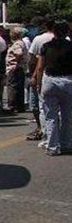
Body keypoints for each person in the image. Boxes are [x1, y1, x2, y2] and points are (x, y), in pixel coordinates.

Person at [34, 20, 72, 156]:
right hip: (68, 81)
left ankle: (52, 146)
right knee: (67, 116)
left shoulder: (46, 46)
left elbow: (40, 67)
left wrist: (38, 83)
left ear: (53, 32)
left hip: (50, 81)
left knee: (51, 116)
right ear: (67, 32)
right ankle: (66, 144)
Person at [27, 19, 55, 141]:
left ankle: (42, 129)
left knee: (39, 105)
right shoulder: (66, 41)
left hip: (43, 75)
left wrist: (33, 76)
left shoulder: (38, 39)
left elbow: (33, 60)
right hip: (62, 76)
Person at [5, 28, 27, 113]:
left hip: (14, 68)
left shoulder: (17, 44)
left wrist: (16, 64)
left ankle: (12, 105)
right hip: (20, 68)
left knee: (12, 86)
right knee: (19, 87)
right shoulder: (21, 42)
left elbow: (19, 53)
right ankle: (19, 105)